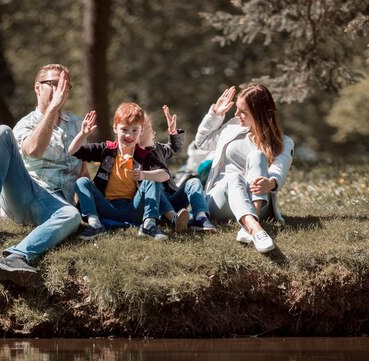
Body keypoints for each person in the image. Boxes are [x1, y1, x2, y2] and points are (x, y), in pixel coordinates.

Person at [0, 63, 83, 286]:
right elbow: (34, 150)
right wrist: (52, 109)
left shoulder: (78, 124)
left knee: (71, 216)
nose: (59, 90)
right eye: (53, 84)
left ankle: (17, 256)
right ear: (37, 88)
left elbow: (82, 170)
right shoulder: (26, 123)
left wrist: (92, 211)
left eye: (64, 85)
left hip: (55, 203)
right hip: (25, 193)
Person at [194, 84, 294, 253]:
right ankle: (255, 229)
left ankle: (249, 220)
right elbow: (201, 143)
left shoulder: (284, 143)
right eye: (237, 109)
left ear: (259, 114)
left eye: (243, 112)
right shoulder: (232, 128)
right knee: (234, 177)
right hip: (220, 201)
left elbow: (279, 170)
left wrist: (269, 183)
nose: (236, 114)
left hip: (258, 202)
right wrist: (215, 114)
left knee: (258, 156)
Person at [70, 103, 170, 241]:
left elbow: (165, 175)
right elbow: (73, 151)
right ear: (115, 128)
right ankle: (94, 224)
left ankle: (149, 225)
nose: (129, 135)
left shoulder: (144, 155)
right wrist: (83, 134)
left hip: (133, 208)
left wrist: (143, 174)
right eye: (124, 129)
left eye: (135, 130)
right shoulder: (106, 149)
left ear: (141, 131)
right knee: (82, 182)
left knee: (153, 178)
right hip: (106, 207)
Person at [139, 106, 216, 233]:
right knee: (154, 182)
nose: (155, 133)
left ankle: (201, 218)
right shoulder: (133, 156)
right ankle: (173, 219)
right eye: (150, 130)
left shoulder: (157, 148)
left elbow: (174, 149)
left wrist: (173, 133)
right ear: (139, 134)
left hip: (173, 199)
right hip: (156, 205)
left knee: (194, 182)